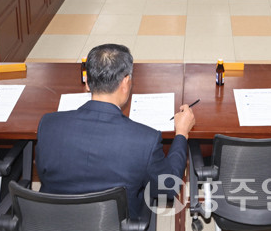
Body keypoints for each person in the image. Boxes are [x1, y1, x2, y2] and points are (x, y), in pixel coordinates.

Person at [36, 44, 195, 219]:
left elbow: (44, 174)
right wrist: (182, 133)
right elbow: (169, 187)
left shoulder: (48, 125)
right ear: (125, 83)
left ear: (87, 82)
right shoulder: (145, 140)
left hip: (55, 221)